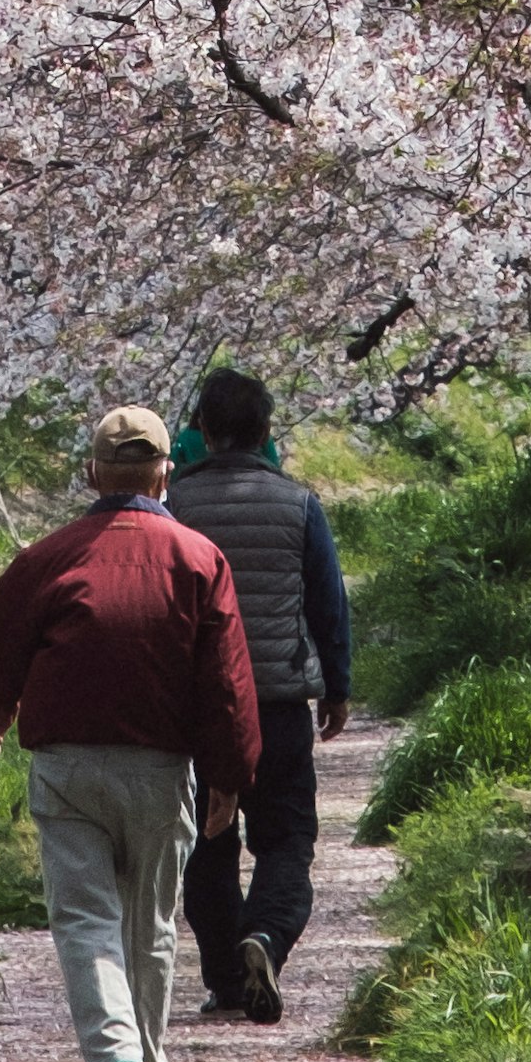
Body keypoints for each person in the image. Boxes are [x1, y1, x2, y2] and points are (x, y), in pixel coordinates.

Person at [0, 401, 262, 1062]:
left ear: (93, 473)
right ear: (166, 474)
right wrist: (231, 774)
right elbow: (227, 677)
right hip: (161, 766)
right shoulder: (198, 558)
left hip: (69, 766)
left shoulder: (50, 556)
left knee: (85, 917)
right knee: (151, 921)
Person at [171, 367, 352, 1023]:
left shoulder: (176, 508)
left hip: (200, 708)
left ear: (204, 432)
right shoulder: (300, 504)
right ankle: (267, 937)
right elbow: (327, 603)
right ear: (267, 431)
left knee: (205, 845)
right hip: (277, 701)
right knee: (286, 838)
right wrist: (336, 686)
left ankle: (225, 976)